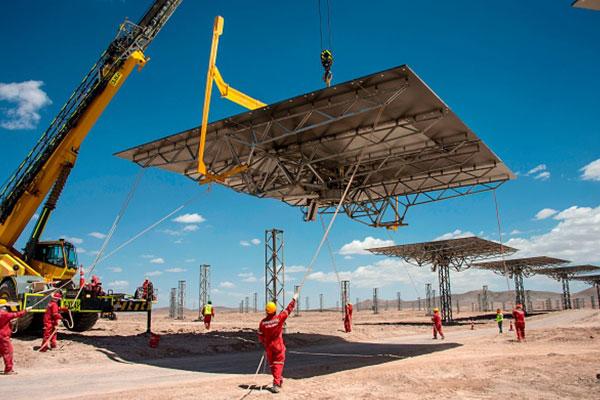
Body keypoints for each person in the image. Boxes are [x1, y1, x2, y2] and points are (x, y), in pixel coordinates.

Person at [258, 293, 298, 393]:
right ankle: (276, 384)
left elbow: (260, 335)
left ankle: (278, 380)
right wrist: (294, 299)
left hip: (269, 347)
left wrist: (264, 343)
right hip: (278, 346)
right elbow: (288, 310)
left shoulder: (262, 323)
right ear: (275, 310)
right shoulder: (278, 319)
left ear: (266, 311)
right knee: (278, 364)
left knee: (273, 365)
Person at [0, 299, 27, 374]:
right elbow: (16, 314)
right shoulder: (3, 314)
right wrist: (26, 310)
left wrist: (11, 323)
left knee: (1, 352)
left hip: (1, 336)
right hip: (3, 336)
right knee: (8, 352)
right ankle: (8, 370)